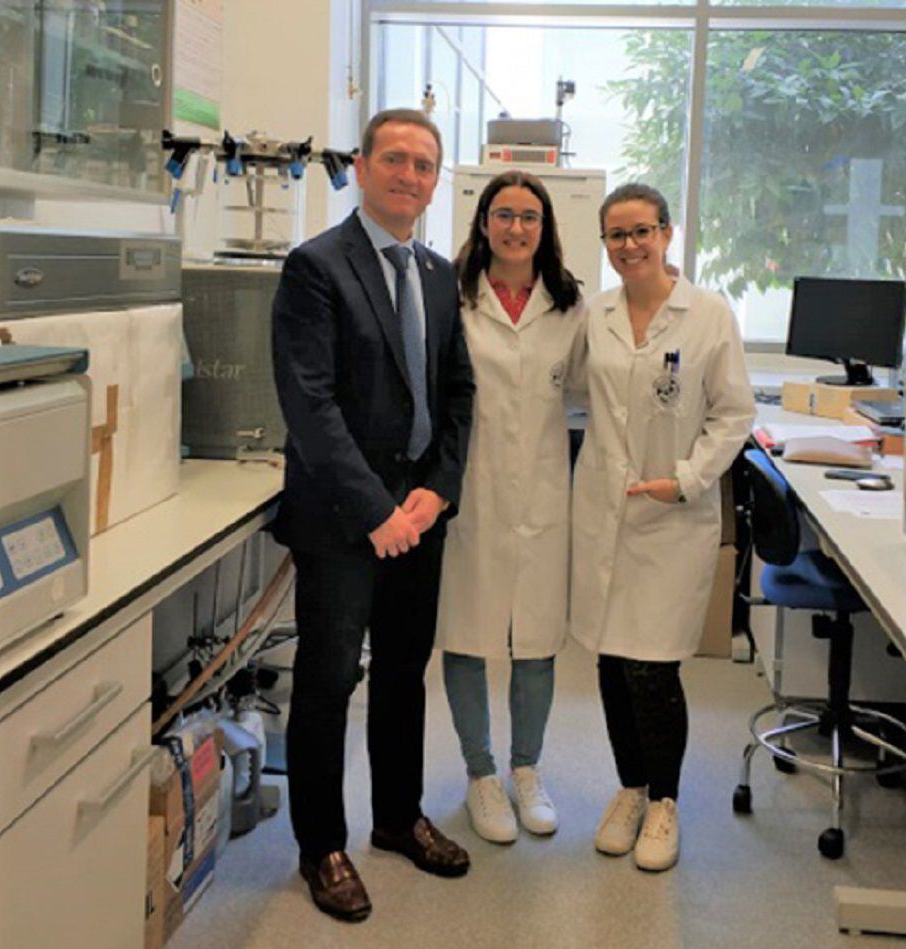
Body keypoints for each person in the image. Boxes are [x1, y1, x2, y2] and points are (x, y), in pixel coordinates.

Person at [272, 108, 475, 923]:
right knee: (327, 681)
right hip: (343, 520)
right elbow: (310, 405)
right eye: (394, 159)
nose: (409, 175)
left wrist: (439, 489)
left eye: (424, 165)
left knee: (401, 673)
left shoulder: (435, 272)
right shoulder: (315, 267)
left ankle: (397, 816)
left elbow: (457, 393)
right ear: (362, 167)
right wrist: (375, 510)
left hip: (418, 517)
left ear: (434, 181)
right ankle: (322, 843)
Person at [570, 183, 755, 872]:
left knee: (653, 664)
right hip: (604, 509)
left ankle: (667, 801)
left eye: (641, 231)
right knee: (613, 659)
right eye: (616, 235)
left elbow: (733, 415)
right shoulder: (597, 313)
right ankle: (630, 787)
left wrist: (685, 477)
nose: (629, 246)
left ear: (667, 233)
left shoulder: (708, 315)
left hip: (673, 512)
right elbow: (568, 392)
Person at [436, 170, 585, 844]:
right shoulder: (452, 294)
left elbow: (590, 388)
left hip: (544, 492)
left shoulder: (571, 303)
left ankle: (528, 769)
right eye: (504, 214)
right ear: (484, 222)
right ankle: (481, 774)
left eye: (529, 216)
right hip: (470, 490)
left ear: (545, 227)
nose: (516, 227)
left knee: (536, 639)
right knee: (466, 632)